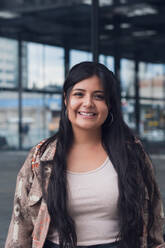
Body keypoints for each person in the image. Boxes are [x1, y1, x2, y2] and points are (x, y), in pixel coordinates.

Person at [5, 62, 165, 248]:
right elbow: (20, 228)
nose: (88, 103)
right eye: (79, 94)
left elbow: (154, 223)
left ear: (110, 104)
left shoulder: (132, 153)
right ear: (66, 99)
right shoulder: (40, 157)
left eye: (98, 96)